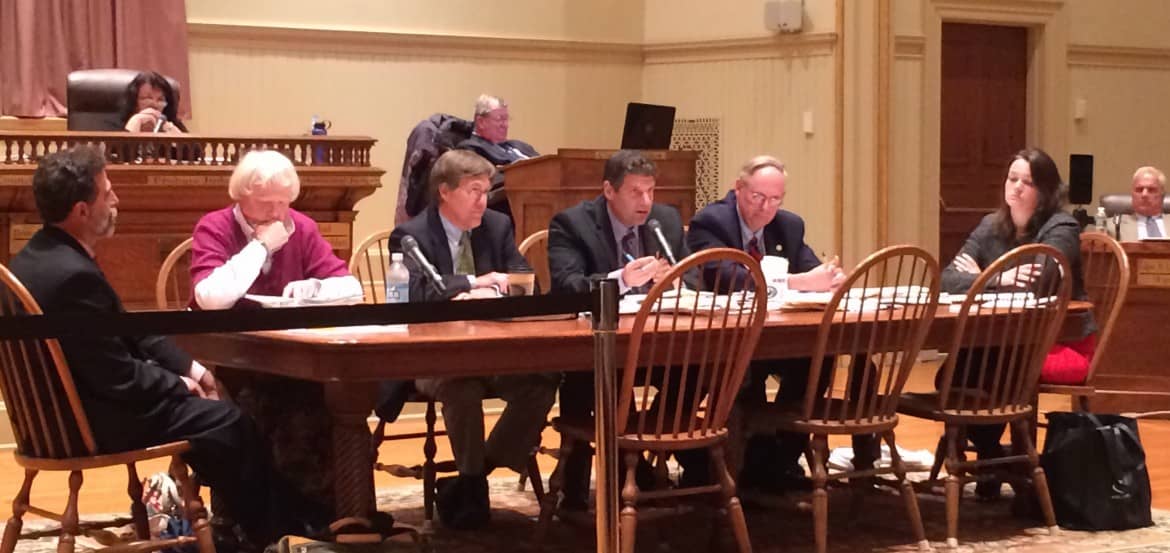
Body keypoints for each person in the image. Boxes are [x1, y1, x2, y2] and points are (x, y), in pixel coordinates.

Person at [8, 145, 313, 548]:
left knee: (215, 417)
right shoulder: (72, 276)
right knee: (227, 422)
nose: (116, 200)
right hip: (86, 422)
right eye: (107, 193)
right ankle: (272, 532)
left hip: (52, 416)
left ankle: (262, 523)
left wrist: (194, 369)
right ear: (82, 210)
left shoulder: (39, 258)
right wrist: (178, 385)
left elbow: (130, 331)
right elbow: (115, 374)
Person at [387, 149, 558, 529]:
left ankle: (473, 478)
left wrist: (492, 293)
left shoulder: (495, 226)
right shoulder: (411, 235)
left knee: (542, 383)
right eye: (474, 190)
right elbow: (415, 296)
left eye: (486, 190)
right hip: (433, 358)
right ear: (445, 192)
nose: (484, 200)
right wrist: (471, 282)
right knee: (460, 388)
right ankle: (471, 486)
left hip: (494, 353)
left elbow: (524, 282)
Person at [687, 155, 867, 494]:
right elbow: (727, 276)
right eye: (757, 197)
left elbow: (812, 268)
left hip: (778, 336)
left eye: (774, 200)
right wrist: (801, 282)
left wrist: (829, 279)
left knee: (819, 358)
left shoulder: (789, 225)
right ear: (738, 189)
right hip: (726, 343)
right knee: (742, 379)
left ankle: (782, 459)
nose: (765, 208)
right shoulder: (711, 221)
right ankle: (743, 467)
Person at [547, 149, 696, 508]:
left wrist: (675, 281)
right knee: (596, 378)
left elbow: (693, 275)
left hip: (657, 342)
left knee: (701, 370)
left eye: (651, 191)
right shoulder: (572, 224)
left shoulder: (666, 221)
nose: (646, 202)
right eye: (635, 192)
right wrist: (621, 281)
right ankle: (601, 480)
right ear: (609, 191)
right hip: (596, 347)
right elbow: (568, 287)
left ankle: (666, 458)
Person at [941, 147, 1093, 496]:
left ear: (1045, 191)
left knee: (977, 373)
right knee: (960, 371)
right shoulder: (990, 226)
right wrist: (1000, 279)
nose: (1017, 188)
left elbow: (1038, 283)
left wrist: (981, 276)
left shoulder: (1062, 228)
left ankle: (990, 458)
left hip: (1056, 340)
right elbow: (948, 278)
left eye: (1028, 181)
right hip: (999, 339)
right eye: (1012, 179)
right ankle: (993, 456)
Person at [190, 150, 361, 310]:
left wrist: (316, 288)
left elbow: (352, 289)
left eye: (282, 203)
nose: (275, 213)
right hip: (224, 335)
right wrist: (261, 246)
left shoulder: (302, 227)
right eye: (265, 203)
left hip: (286, 335)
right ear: (241, 197)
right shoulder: (214, 226)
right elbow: (209, 299)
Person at [456, 94, 539, 220]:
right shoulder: (469, 150)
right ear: (481, 122)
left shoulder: (520, 146)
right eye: (500, 119)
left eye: (506, 119)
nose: (505, 125)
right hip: (509, 211)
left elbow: (547, 168)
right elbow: (488, 183)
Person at [1109, 166, 1166, 241]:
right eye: (1139, 189)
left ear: (1162, 195)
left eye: (1151, 190)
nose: (1144, 194)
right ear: (1132, 194)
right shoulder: (1112, 226)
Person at [119, 71, 187, 133]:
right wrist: (135, 123)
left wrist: (175, 136)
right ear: (134, 101)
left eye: (160, 100)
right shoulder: (116, 123)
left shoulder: (173, 123)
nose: (154, 104)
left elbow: (194, 146)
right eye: (147, 98)